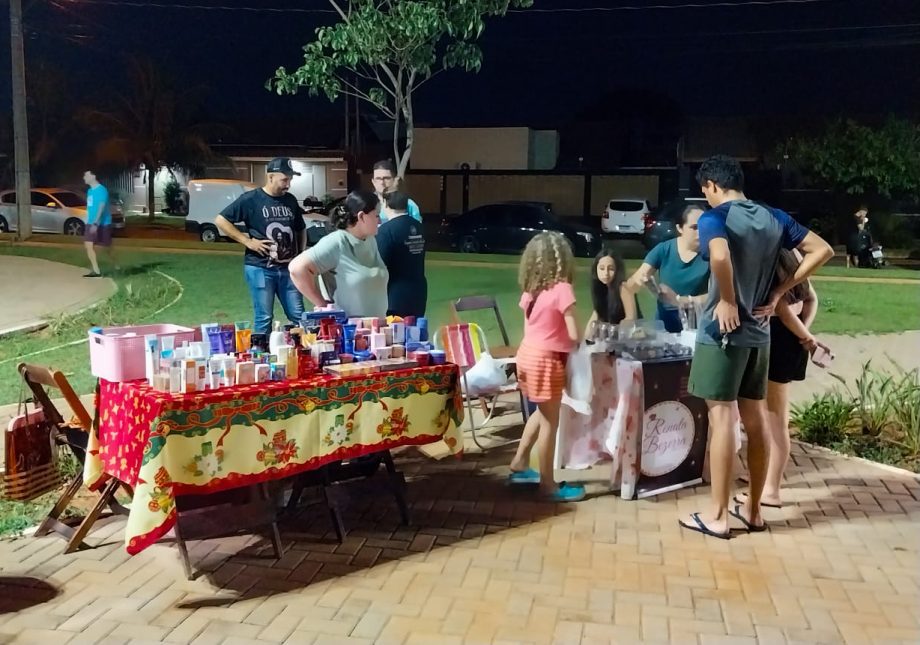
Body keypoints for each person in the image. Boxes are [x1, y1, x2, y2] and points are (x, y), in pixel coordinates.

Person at [682, 154, 833, 539]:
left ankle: (717, 517)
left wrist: (729, 299)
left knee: (721, 420)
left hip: (723, 333)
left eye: (705, 191)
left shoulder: (716, 217)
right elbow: (823, 250)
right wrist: (781, 289)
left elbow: (718, 255)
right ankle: (753, 512)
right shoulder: (774, 217)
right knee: (756, 419)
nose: (706, 198)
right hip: (761, 335)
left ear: (713, 186)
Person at [737, 249, 830, 508]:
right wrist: (804, 332)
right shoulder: (796, 259)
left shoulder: (767, 260)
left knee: (775, 419)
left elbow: (782, 309)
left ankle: (771, 490)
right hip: (790, 337)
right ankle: (764, 476)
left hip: (776, 338)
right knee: (772, 416)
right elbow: (811, 299)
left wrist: (806, 339)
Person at [507, 231, 586, 503]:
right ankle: (548, 484)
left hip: (526, 355)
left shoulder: (531, 290)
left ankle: (519, 462)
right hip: (547, 359)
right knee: (551, 421)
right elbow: (574, 334)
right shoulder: (562, 288)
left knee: (542, 412)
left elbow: (530, 328)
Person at [215, 157, 306, 335]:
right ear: (270, 177)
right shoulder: (251, 199)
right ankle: (261, 356)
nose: (288, 184)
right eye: (284, 179)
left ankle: (303, 355)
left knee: (300, 316)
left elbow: (301, 229)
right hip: (260, 268)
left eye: (290, 179)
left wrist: (300, 255)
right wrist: (247, 241)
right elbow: (221, 220)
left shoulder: (290, 200)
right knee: (264, 317)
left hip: (288, 269)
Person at [289, 190, 389, 318]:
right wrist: (323, 306)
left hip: (375, 330)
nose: (380, 221)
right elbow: (297, 269)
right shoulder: (337, 241)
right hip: (348, 332)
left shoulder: (370, 240)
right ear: (361, 216)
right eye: (377, 215)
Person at [626, 204, 710, 332]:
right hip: (665, 326)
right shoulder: (664, 249)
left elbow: (718, 296)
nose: (700, 232)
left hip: (698, 326)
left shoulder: (713, 254)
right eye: (694, 227)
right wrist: (643, 283)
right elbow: (632, 284)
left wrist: (681, 301)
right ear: (680, 228)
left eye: (704, 226)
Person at [376, 191, 427, 317]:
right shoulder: (419, 227)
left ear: (386, 205)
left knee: (395, 331)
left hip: (395, 292)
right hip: (419, 289)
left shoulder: (386, 230)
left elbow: (380, 262)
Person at [585, 248, 638, 336]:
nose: (606, 273)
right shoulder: (600, 289)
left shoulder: (623, 287)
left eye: (611, 269)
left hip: (628, 336)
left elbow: (631, 318)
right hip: (610, 337)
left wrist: (615, 332)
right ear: (596, 269)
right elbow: (596, 316)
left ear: (617, 270)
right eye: (602, 268)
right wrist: (585, 342)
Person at [82, 170, 115, 278]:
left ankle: (116, 264)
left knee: (106, 248)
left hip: (103, 223)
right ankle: (96, 271)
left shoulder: (102, 190)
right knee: (88, 245)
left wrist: (96, 223)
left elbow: (101, 208)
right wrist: (89, 221)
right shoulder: (90, 191)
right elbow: (90, 207)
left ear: (93, 176)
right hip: (91, 222)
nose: (84, 177)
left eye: (86, 175)